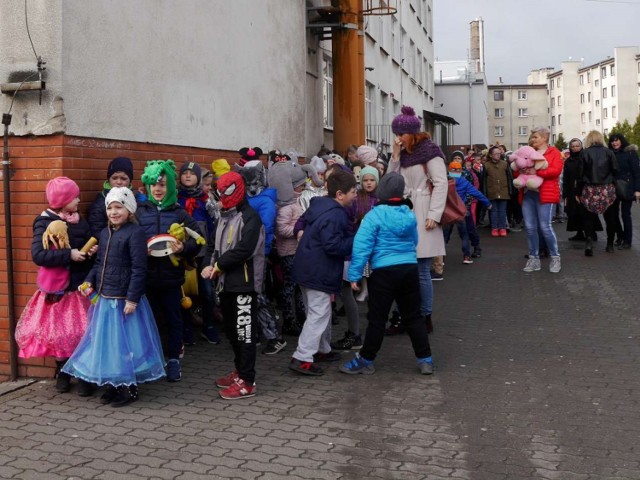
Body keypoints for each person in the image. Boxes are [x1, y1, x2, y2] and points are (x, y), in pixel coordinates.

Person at [62, 187, 165, 406]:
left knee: (127, 345)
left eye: (119, 207)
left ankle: (130, 388)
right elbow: (99, 263)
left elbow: (139, 268)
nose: (114, 212)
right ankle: (113, 384)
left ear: (129, 209)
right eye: (110, 208)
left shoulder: (135, 233)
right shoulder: (105, 233)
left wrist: (132, 298)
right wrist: (89, 280)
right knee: (109, 344)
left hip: (124, 300)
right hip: (106, 298)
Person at [340, 172, 434, 375]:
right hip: (409, 268)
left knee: (377, 318)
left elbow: (362, 247)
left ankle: (366, 360)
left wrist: (355, 275)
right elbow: (414, 241)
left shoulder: (373, 215)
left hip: (383, 271)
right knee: (414, 316)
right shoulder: (408, 214)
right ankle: (425, 359)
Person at [15, 177, 98, 394]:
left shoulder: (80, 221)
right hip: (58, 290)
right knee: (60, 334)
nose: (79, 200)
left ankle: (82, 374)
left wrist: (90, 252)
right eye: (74, 197)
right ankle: (62, 371)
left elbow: (89, 241)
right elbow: (39, 255)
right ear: (63, 200)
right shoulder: (44, 222)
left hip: (79, 287)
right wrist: (68, 254)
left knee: (81, 332)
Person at [136, 160, 202, 382]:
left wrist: (184, 248)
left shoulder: (179, 213)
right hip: (145, 278)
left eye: (163, 185)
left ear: (171, 186)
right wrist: (138, 251)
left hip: (172, 279)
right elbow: (128, 239)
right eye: (154, 185)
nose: (157, 189)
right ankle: (151, 359)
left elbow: (199, 241)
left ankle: (173, 359)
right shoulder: (139, 212)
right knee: (149, 320)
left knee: (173, 320)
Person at [202, 171, 265, 400]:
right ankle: (239, 371)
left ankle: (248, 381)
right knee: (232, 332)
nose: (220, 198)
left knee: (245, 333)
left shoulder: (251, 218)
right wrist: (208, 265)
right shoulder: (223, 216)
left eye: (223, 192)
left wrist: (218, 265)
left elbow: (244, 250)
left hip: (244, 285)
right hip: (225, 284)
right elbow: (214, 245)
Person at [289, 168, 356, 376]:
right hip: (319, 270)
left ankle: (321, 349)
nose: (355, 195)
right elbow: (333, 245)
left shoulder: (320, 206)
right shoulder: (336, 215)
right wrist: (356, 241)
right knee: (318, 314)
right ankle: (302, 357)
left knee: (318, 312)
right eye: (353, 191)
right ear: (340, 194)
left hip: (306, 267)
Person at [388, 105, 447, 334]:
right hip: (405, 213)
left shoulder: (430, 151)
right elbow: (391, 182)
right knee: (404, 269)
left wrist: (434, 214)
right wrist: (394, 157)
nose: (398, 138)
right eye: (396, 134)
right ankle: (406, 315)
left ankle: (425, 317)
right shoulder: (402, 155)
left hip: (424, 213)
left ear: (411, 132)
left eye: (401, 134)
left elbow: (441, 183)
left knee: (421, 270)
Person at [333, 165, 379, 351]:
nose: (368, 183)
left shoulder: (379, 201)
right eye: (365, 180)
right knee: (348, 290)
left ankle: (364, 331)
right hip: (354, 251)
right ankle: (356, 333)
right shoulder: (356, 200)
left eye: (372, 180)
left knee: (372, 291)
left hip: (371, 252)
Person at [177, 161, 221, 345]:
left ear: (198, 178)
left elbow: (213, 226)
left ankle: (208, 326)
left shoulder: (205, 200)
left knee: (207, 291)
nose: (188, 176)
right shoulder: (176, 199)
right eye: (184, 173)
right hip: (183, 253)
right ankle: (186, 329)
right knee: (184, 293)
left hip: (203, 254)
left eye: (192, 173)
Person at [521, 127, 563, 273]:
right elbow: (517, 167)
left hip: (545, 194)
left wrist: (536, 171)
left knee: (545, 227)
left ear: (545, 138)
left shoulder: (554, 153)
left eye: (536, 137)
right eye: (532, 137)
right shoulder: (528, 152)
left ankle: (555, 258)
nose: (533, 140)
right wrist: (520, 170)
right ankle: (534, 259)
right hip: (528, 193)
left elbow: (555, 171)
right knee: (530, 228)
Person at [577, 131, 618, 255]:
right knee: (611, 218)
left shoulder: (584, 153)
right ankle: (610, 244)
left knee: (588, 217)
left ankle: (589, 241)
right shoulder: (609, 152)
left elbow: (580, 174)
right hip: (607, 189)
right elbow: (616, 169)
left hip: (589, 189)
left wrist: (578, 192)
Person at [87, 157, 146, 238]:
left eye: (123, 178)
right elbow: (97, 230)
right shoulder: (100, 203)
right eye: (114, 178)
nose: (119, 182)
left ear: (130, 180)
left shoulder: (138, 199)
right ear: (109, 179)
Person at [445, 161, 491, 264]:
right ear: (461, 171)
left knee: (445, 235)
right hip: (463, 210)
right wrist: (487, 203)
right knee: (465, 233)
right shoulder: (464, 182)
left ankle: (440, 258)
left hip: (449, 211)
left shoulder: (445, 182)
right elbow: (477, 193)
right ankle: (467, 256)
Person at [563, 138, 602, 242]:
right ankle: (579, 232)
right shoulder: (568, 161)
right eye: (573, 146)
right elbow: (566, 177)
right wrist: (565, 192)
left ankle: (591, 233)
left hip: (585, 188)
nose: (575, 148)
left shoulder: (585, 157)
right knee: (574, 212)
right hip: (572, 189)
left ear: (581, 146)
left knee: (586, 212)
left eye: (577, 146)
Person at [608, 133, 640, 249]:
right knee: (613, 214)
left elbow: (637, 172)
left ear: (621, 141)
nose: (614, 143)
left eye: (616, 140)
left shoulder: (630, 153)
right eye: (612, 141)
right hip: (613, 187)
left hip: (628, 188)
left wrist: (637, 190)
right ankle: (620, 235)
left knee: (626, 214)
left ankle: (628, 240)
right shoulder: (609, 153)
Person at [483, 146, 513, 237]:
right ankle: (494, 228)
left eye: (499, 153)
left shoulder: (505, 164)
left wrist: (510, 190)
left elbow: (509, 178)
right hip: (492, 191)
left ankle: (502, 228)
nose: (498, 155)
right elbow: (483, 180)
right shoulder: (486, 165)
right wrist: (485, 193)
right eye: (496, 154)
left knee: (502, 211)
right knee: (494, 211)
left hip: (503, 191)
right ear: (491, 155)